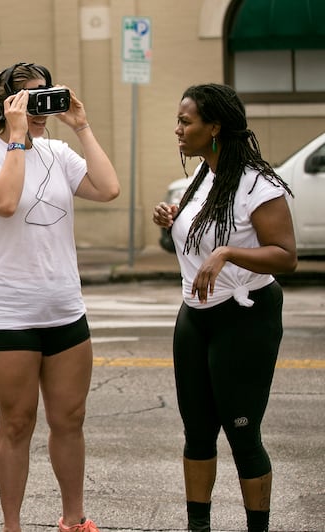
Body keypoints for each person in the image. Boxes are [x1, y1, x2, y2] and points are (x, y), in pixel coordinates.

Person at [0, 62, 120, 532]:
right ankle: (12, 525)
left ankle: (74, 519)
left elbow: (108, 188)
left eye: (44, 95)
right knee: (17, 423)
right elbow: (6, 201)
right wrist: (15, 137)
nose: (40, 106)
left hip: (63, 307)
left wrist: (82, 126)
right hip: (9, 311)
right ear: (5, 104)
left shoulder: (59, 150)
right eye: (29, 97)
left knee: (70, 419)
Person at [152, 83, 297, 532]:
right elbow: (207, 230)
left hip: (246, 316)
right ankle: (199, 527)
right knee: (197, 434)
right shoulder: (204, 174)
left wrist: (228, 253)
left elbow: (286, 256)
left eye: (186, 121)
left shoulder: (259, 183)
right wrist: (175, 220)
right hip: (195, 317)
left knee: (241, 432)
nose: (177, 129)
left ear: (214, 127)